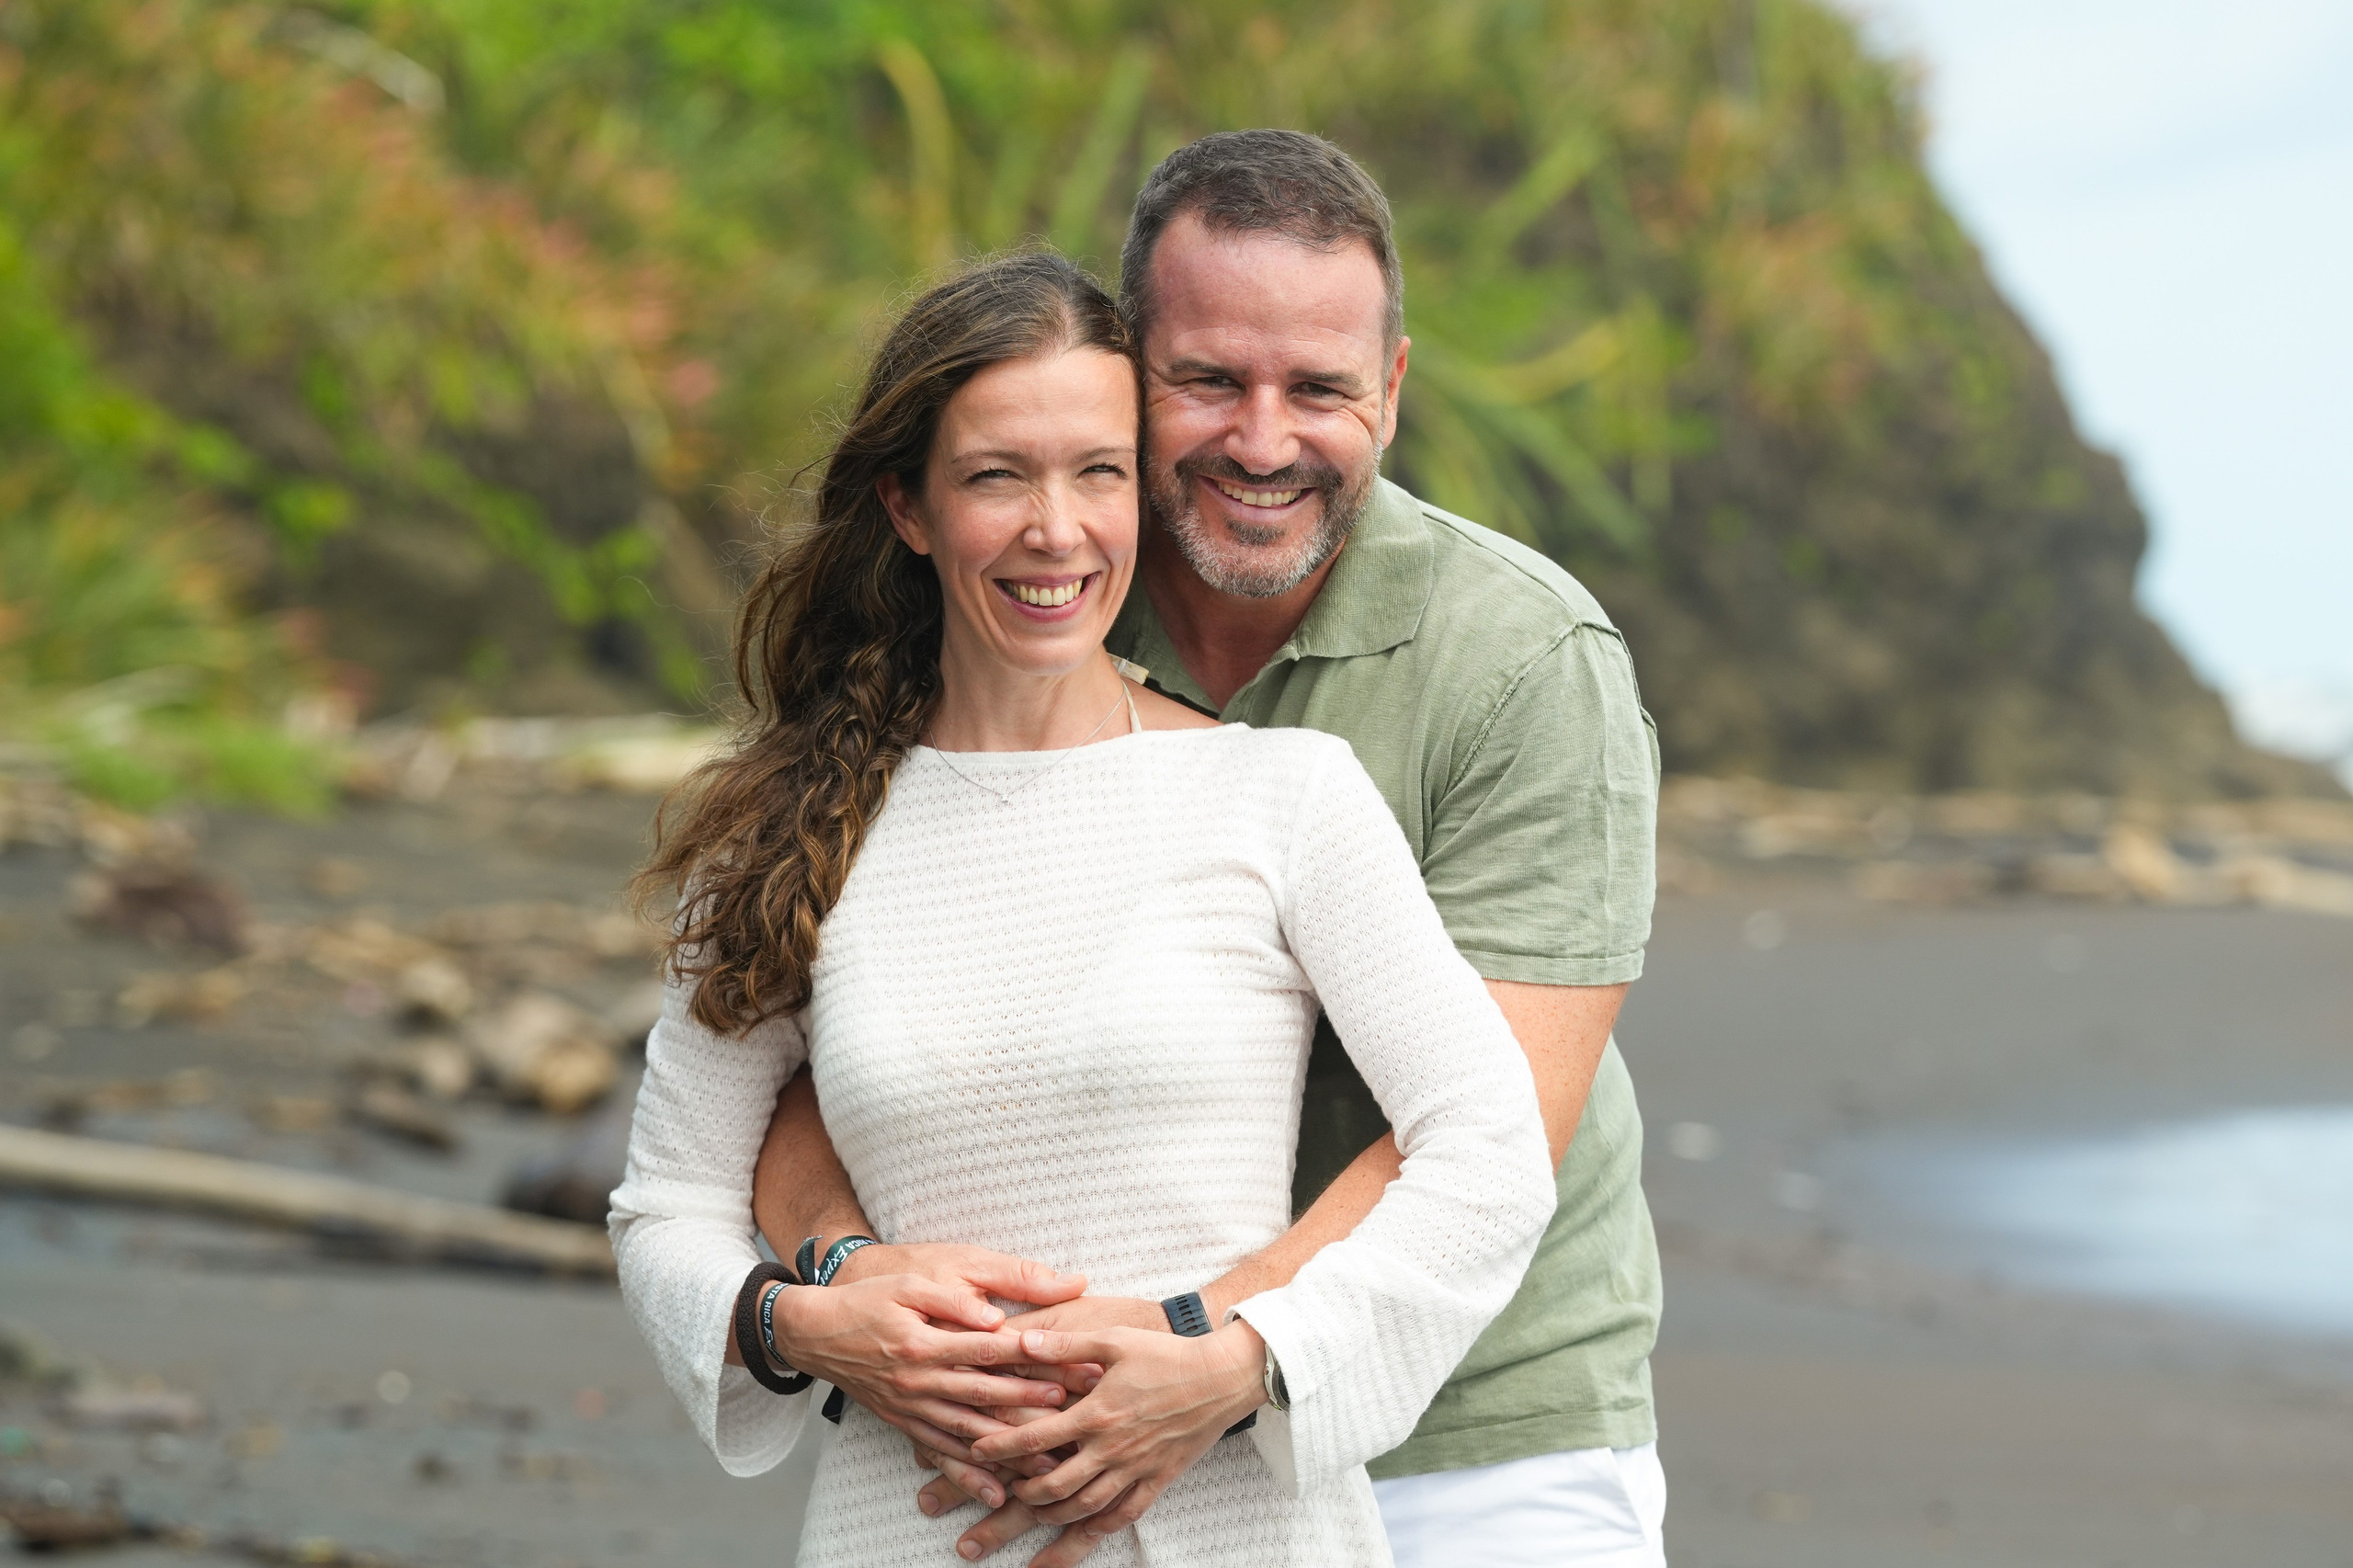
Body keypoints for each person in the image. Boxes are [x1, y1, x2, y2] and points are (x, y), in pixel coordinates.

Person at [751, 132, 1669, 1568]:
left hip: (1479, 1427)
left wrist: (1215, 1354)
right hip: (1040, 1432)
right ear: (1127, 372)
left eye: (1320, 388)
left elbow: (1499, 1119)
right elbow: (815, 1041)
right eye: (1208, 380)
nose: (1261, 438)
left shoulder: (1521, 659)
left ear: (1396, 391)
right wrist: (852, 1288)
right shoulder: (1033, 599)